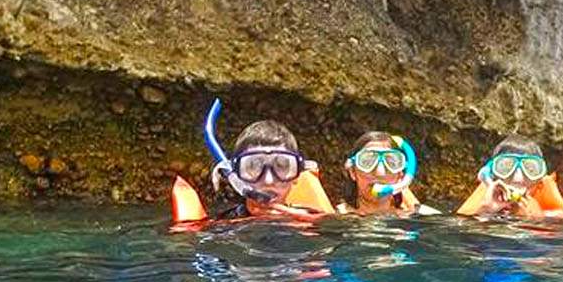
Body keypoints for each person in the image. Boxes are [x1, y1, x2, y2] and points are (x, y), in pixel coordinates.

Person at [171, 100, 335, 223]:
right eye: (253, 167)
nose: (269, 180)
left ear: (297, 175)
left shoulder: (317, 222)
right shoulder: (222, 226)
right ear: (236, 177)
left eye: (283, 167)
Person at [455, 135, 563, 219]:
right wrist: (485, 211)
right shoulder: (486, 196)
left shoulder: (536, 207)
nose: (518, 178)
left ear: (539, 181)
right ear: (492, 173)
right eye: (506, 167)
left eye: (530, 169)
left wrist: (530, 219)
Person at [336, 131, 439, 216]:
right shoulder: (336, 217)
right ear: (352, 172)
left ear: (401, 175)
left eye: (391, 163)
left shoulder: (425, 216)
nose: (380, 172)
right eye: (367, 162)